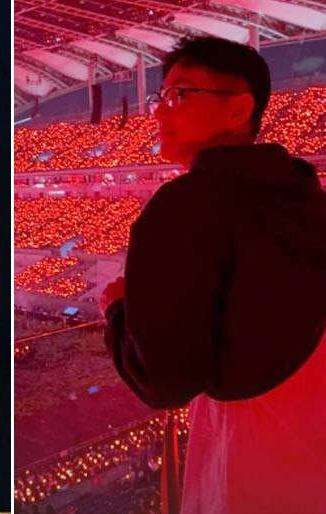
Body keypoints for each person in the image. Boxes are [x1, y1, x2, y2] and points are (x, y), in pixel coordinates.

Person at [100, 36, 326, 513]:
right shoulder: (303, 191)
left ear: (237, 108)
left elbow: (164, 381)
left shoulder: (184, 207)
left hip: (249, 455)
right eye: (159, 96)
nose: (159, 112)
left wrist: (117, 310)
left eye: (179, 95)